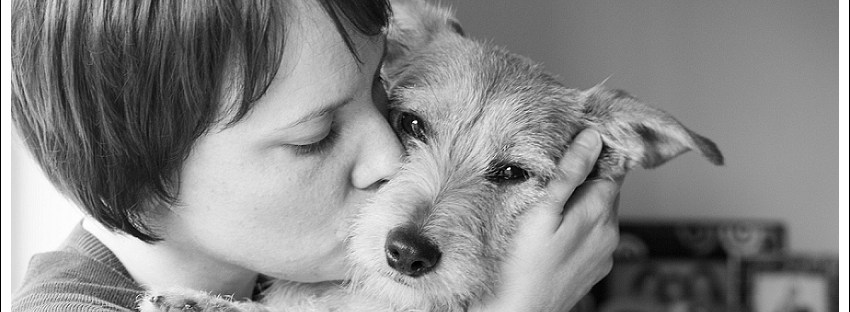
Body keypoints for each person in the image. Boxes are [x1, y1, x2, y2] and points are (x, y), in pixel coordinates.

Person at [11, 0, 622, 311]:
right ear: (143, 164)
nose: (390, 155)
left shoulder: (295, 272)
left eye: (382, 101)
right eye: (317, 134)